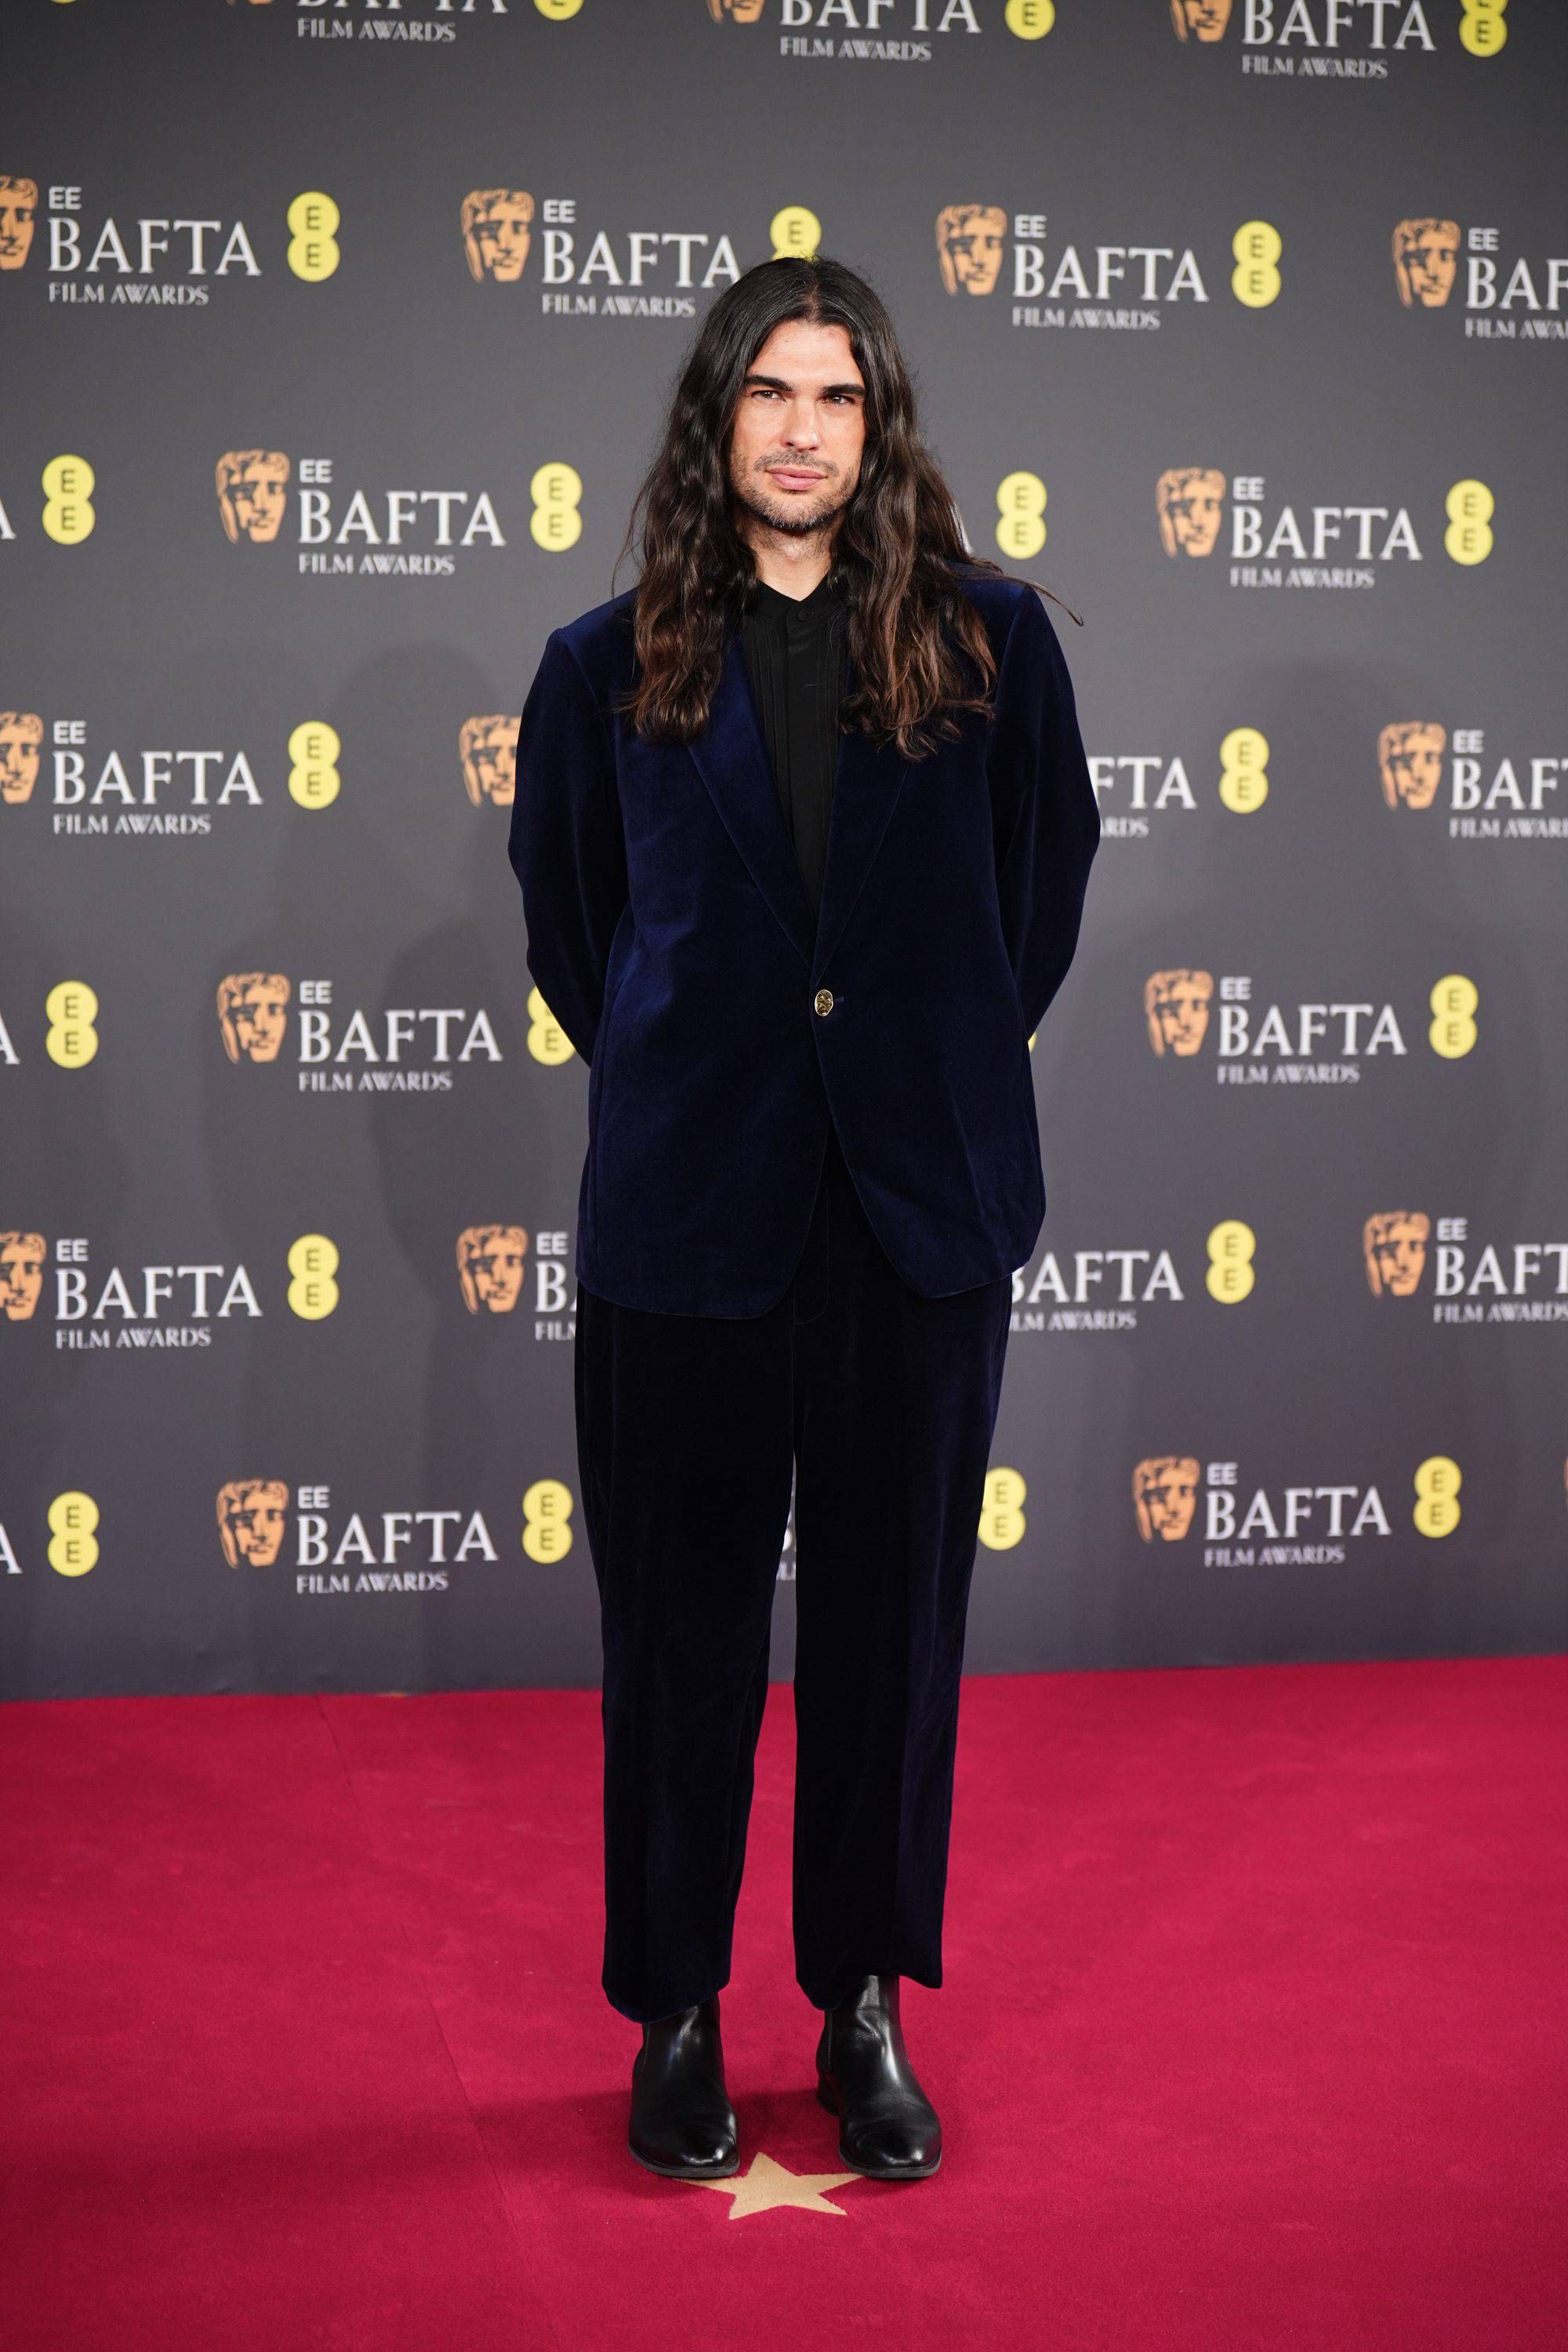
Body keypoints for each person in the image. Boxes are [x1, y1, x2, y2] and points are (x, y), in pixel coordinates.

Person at [509, 254, 1098, 2184]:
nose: (799, 427)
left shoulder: (993, 644)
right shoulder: (604, 670)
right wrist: (725, 1079)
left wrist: (898, 1070)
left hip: (912, 1222)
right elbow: (585, 939)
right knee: (677, 1639)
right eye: (768, 391)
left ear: (879, 423)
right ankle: (674, 2008)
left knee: (889, 1638)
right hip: (693, 1217)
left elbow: (1036, 906)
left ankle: (861, 2006)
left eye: (837, 396)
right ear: (716, 417)